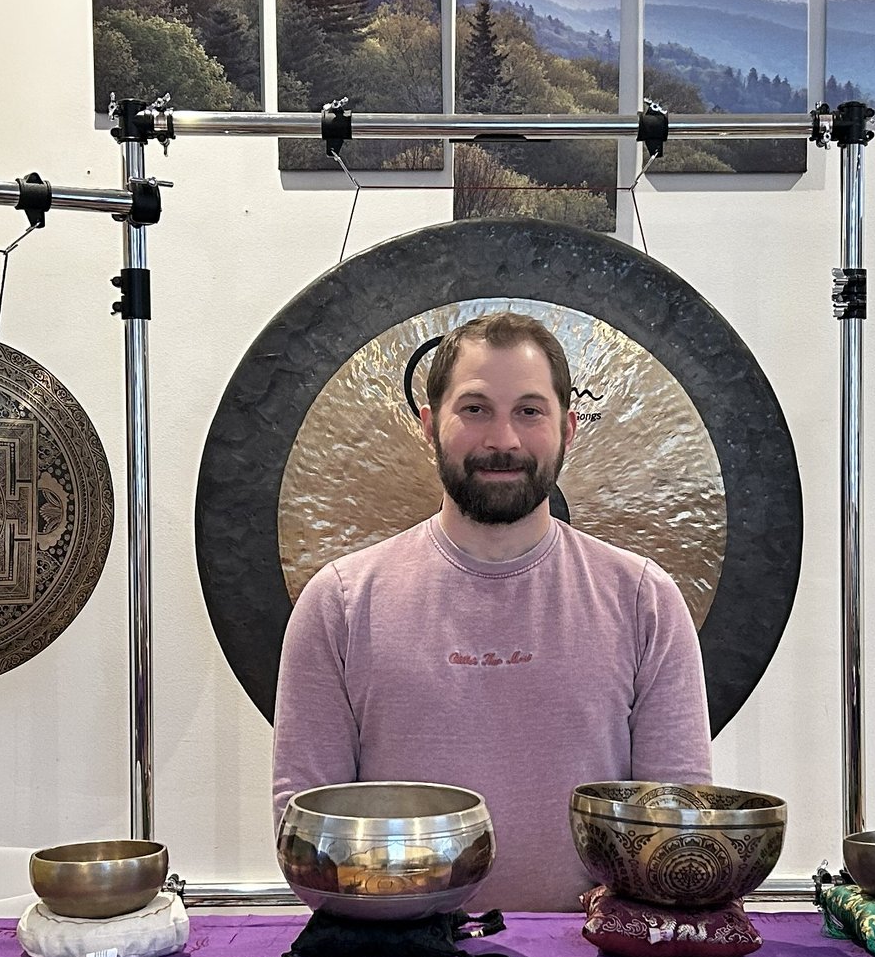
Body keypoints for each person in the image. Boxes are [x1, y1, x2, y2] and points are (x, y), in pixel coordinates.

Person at [270, 310, 712, 912]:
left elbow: (677, 827)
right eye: (475, 409)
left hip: (592, 956)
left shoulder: (643, 599)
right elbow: (307, 835)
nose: (503, 440)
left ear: (568, 429)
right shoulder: (340, 602)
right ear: (429, 425)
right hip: (398, 953)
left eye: (529, 411)